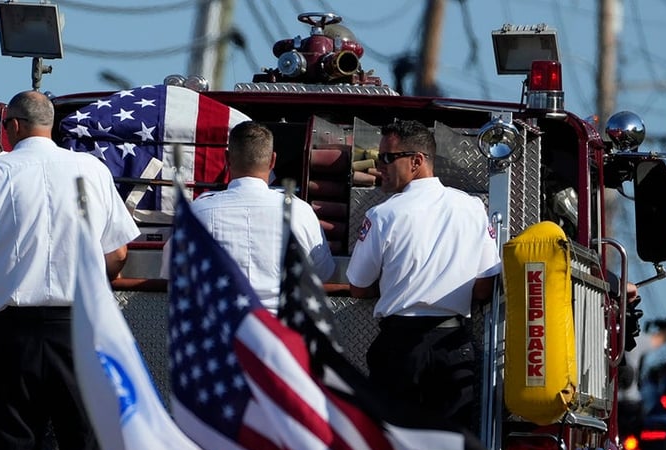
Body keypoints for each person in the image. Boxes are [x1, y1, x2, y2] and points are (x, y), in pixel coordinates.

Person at [0, 90, 140, 450]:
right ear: (50, 124)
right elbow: (118, 253)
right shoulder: (92, 170)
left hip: (13, 336)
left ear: (14, 126)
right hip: (79, 332)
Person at [346, 119, 501, 430]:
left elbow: (359, 286)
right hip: (453, 347)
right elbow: (485, 286)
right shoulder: (472, 208)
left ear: (416, 161)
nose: (379, 165)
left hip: (400, 349)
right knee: (451, 445)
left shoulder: (383, 214)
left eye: (387, 157)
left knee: (392, 444)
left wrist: (396, 284)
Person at [162, 121, 335, 311]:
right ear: (272, 161)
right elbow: (323, 273)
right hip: (282, 326)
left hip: (222, 323)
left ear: (227, 159)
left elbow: (174, 272)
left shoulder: (196, 213)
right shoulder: (300, 211)